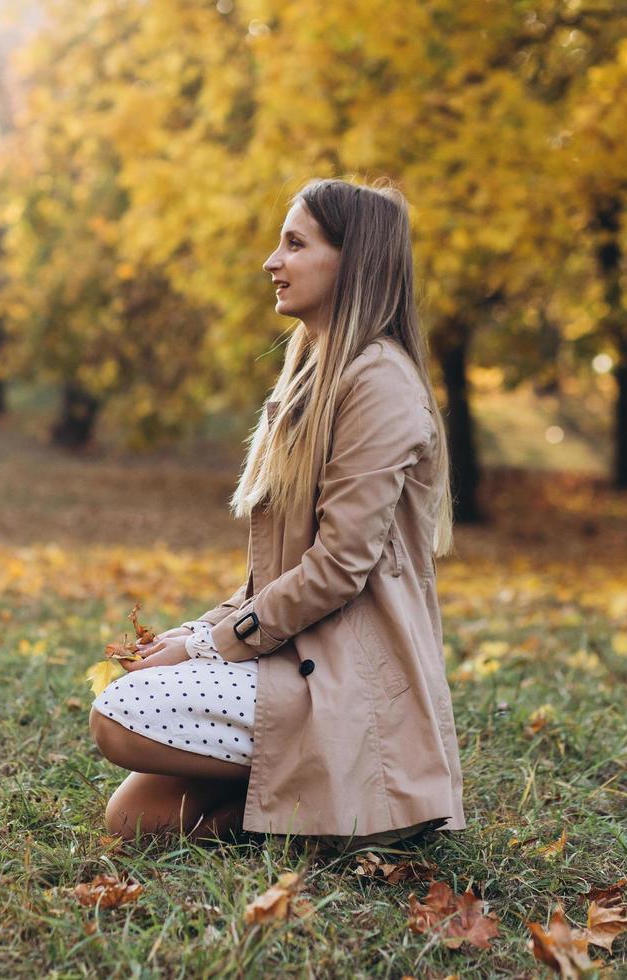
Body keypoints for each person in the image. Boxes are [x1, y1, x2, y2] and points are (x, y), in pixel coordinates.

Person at [90, 178, 465, 847]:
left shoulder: (378, 382)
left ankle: (366, 797)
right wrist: (193, 633)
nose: (272, 260)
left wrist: (210, 647)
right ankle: (325, 809)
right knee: (133, 822)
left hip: (345, 675)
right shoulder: (314, 380)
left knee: (118, 715)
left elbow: (338, 568)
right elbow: (275, 577)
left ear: (353, 263)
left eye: (295, 243)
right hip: (295, 654)